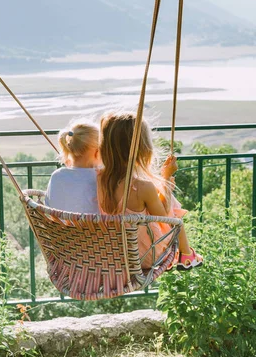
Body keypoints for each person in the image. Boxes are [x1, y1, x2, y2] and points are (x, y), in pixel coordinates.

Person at [97, 112, 203, 270]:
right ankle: (186, 254)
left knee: (158, 196)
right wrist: (166, 179)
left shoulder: (99, 178)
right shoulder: (142, 187)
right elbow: (164, 218)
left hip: (114, 253)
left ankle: (186, 254)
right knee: (172, 206)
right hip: (143, 256)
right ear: (143, 148)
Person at [45, 119, 101, 214]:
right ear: (97, 152)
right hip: (94, 228)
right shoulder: (101, 178)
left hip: (60, 228)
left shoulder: (57, 176)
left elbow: (48, 206)